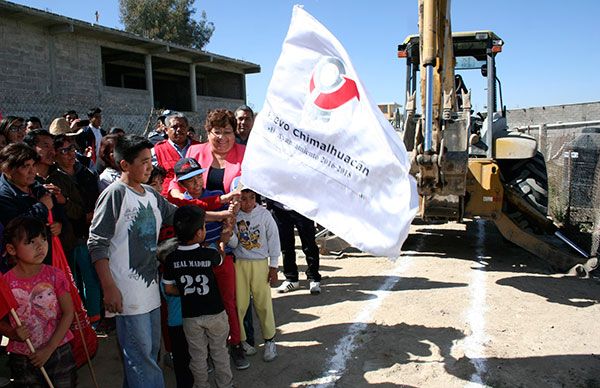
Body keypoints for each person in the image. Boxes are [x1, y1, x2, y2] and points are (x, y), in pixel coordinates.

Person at [88, 134, 177, 388]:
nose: (150, 166)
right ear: (124, 165)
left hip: (149, 290)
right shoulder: (115, 194)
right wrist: (108, 287)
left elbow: (178, 215)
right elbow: (96, 243)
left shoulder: (150, 194)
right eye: (144, 162)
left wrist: (220, 212)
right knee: (142, 358)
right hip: (126, 294)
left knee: (146, 355)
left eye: (151, 160)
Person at [172, 157, 248, 370]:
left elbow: (227, 223)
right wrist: (222, 213)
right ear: (182, 185)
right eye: (190, 181)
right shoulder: (183, 206)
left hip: (219, 255)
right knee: (201, 309)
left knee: (228, 302)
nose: (197, 184)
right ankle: (206, 354)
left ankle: (235, 344)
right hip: (194, 261)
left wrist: (229, 222)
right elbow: (200, 211)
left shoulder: (216, 196)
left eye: (198, 178)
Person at [163, 206, 234, 388]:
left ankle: (201, 385)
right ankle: (225, 385)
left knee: (197, 356)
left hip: (190, 316)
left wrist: (188, 290)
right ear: (199, 233)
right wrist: (222, 241)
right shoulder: (208, 253)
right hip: (215, 313)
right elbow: (220, 257)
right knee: (219, 353)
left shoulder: (171, 259)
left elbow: (169, 288)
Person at [0, 216, 75, 387]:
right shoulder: (5, 284)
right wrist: (12, 333)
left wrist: (49, 349)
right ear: (11, 249)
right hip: (23, 355)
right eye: (31, 242)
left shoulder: (55, 275)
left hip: (59, 349)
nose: (40, 246)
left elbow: (68, 312)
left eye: (43, 239)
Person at [229, 188, 280, 362]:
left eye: (252, 198)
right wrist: (229, 229)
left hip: (260, 265)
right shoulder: (235, 216)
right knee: (240, 305)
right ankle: (243, 341)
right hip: (240, 264)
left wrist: (273, 266)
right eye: (243, 199)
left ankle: (270, 340)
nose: (248, 203)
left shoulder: (264, 215)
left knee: (263, 304)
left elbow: (274, 241)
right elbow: (235, 243)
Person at [0, 143, 59, 265]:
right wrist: (42, 207)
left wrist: (59, 225)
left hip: (49, 257)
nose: (33, 171)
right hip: (24, 266)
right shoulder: (3, 196)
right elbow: (17, 228)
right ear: (9, 169)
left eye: (33, 165)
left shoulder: (37, 187)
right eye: (26, 166)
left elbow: (56, 211)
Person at [270, 199, 323, 295]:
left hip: (303, 207)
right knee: (286, 246)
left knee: (309, 244)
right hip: (280, 208)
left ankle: (314, 278)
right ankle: (291, 278)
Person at [153, 112, 200, 196]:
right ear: (166, 130)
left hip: (197, 195)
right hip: (169, 197)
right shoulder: (157, 150)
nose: (179, 129)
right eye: (174, 127)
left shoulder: (199, 147)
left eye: (182, 126)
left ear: (187, 128)